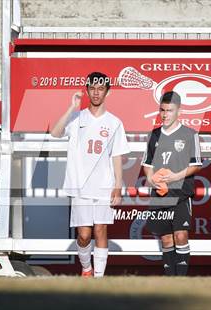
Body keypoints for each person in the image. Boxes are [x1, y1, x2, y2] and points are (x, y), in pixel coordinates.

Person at [51, 72, 130, 278]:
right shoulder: (77, 117)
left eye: (100, 89)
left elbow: (117, 155)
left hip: (104, 184)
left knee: (101, 230)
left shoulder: (114, 122)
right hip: (80, 185)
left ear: (107, 92)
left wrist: (118, 185)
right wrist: (71, 107)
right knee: (84, 235)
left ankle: (99, 279)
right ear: (87, 90)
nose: (96, 93)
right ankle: (87, 268)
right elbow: (55, 132)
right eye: (93, 88)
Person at [142, 91, 202, 276]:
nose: (165, 114)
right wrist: (152, 179)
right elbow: (147, 164)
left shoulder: (190, 134)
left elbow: (196, 165)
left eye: (170, 110)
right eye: (162, 110)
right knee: (166, 239)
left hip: (181, 195)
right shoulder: (153, 135)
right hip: (160, 196)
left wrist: (175, 177)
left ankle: (181, 279)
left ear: (179, 111)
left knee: (181, 235)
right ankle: (170, 280)